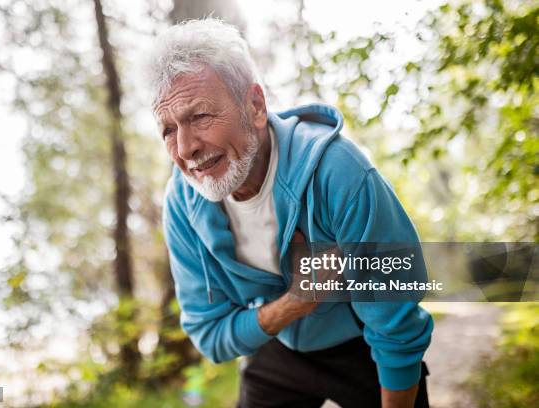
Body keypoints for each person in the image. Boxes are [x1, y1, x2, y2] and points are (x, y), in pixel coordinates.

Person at [142, 18, 433, 408]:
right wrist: (295, 302)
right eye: (167, 130)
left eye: (199, 117)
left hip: (364, 344)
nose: (185, 147)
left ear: (255, 106)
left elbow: (395, 320)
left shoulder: (338, 171)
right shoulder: (183, 202)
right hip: (276, 347)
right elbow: (210, 336)